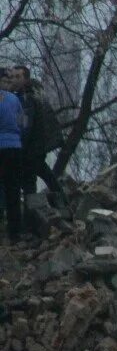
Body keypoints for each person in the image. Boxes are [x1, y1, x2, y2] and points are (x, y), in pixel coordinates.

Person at [6, 66, 65, 203]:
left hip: (29, 151)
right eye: (12, 77)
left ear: (25, 79)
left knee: (29, 186)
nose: (14, 80)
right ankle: (62, 205)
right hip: (35, 149)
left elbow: (24, 127)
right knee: (43, 178)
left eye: (17, 77)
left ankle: (35, 216)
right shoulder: (32, 94)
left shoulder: (26, 98)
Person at [0, 72, 25, 240]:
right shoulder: (15, 99)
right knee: (13, 188)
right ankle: (15, 231)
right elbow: (23, 123)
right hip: (15, 147)